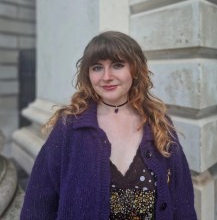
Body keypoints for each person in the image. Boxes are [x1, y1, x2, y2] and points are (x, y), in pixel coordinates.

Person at [20, 31, 197, 220]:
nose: (106, 77)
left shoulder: (159, 124)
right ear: (88, 74)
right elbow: (38, 204)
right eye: (97, 67)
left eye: (117, 65)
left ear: (135, 70)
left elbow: (182, 200)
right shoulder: (70, 127)